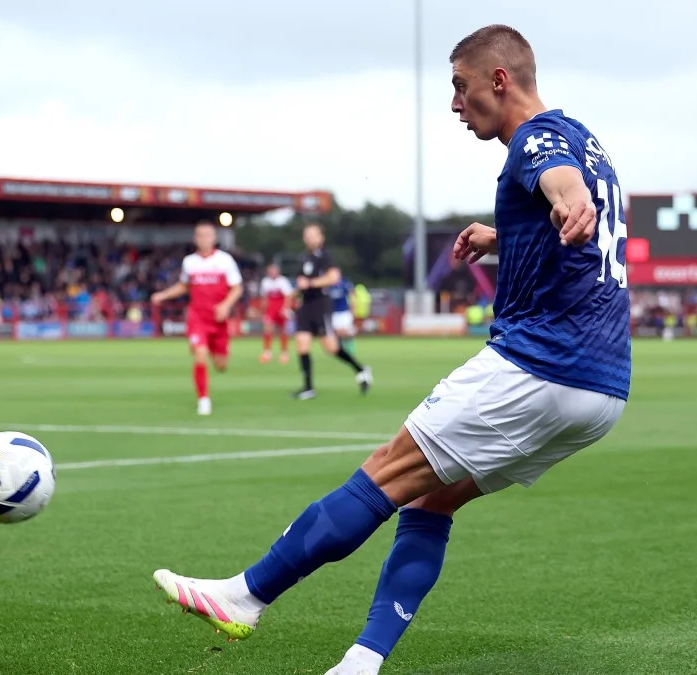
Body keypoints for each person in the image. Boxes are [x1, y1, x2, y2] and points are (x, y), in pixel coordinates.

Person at [151, 24, 631, 675]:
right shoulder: (585, 138)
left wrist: (568, 202)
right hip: (602, 389)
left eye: (460, 87)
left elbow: (563, 186)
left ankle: (245, 595)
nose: (455, 104)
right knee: (433, 499)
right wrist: (504, 235)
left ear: (499, 80)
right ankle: (360, 662)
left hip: (538, 366)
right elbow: (573, 204)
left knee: (385, 473)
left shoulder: (537, 139)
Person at [151, 222, 243, 416]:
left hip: (218, 320)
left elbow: (237, 288)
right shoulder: (190, 262)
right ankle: (203, 399)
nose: (203, 239)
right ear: (195, 239)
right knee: (200, 354)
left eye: (207, 235)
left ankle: (213, 351)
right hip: (197, 317)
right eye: (200, 235)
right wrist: (163, 295)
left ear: (214, 238)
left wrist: (226, 305)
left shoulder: (225, 260)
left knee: (221, 365)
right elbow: (184, 286)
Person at [290, 224, 371, 399]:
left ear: (321, 237)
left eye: (313, 235)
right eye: (307, 235)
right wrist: (295, 294)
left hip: (320, 305)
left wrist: (310, 283)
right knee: (302, 343)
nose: (309, 238)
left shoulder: (325, 256)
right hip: (305, 305)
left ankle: (361, 369)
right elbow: (301, 282)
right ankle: (308, 387)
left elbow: (333, 278)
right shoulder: (304, 258)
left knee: (331, 347)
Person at [258, 263, 294, 364]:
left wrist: (285, 308)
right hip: (270, 308)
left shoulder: (283, 281)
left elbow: (288, 296)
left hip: (281, 307)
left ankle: (284, 352)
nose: (273, 273)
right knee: (267, 329)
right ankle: (267, 352)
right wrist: (263, 309)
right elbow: (264, 297)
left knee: (283, 330)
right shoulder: (265, 282)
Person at [328, 276, 358, 355]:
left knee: (346, 331)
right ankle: (340, 350)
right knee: (337, 332)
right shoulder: (328, 285)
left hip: (344, 311)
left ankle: (350, 349)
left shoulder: (345, 283)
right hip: (334, 312)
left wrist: (353, 308)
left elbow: (352, 294)